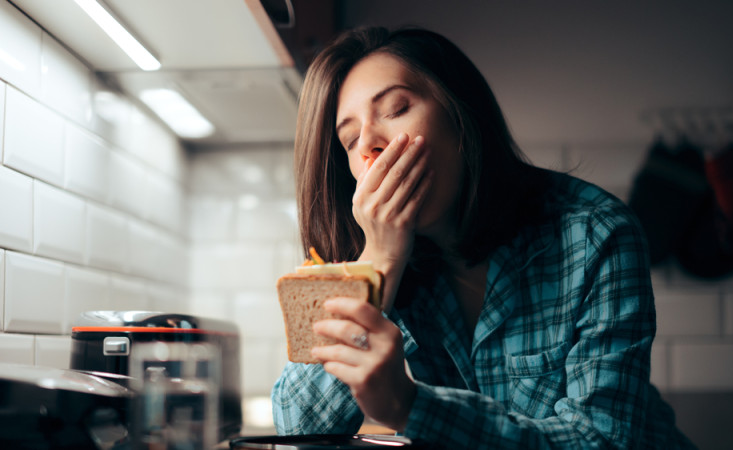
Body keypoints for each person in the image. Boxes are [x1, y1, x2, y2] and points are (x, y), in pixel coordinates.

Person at [271, 26, 695, 449]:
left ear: (460, 115)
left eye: (397, 109)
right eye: (349, 140)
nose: (369, 146)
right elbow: (296, 426)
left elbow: (600, 440)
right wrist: (378, 260)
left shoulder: (596, 234)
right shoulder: (378, 258)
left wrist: (410, 404)